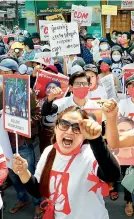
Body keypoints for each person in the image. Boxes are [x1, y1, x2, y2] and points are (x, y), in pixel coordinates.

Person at [12, 106, 121, 219]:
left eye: (77, 127)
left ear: (84, 135)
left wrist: (97, 141)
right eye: (64, 124)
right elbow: (38, 191)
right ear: (55, 128)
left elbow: (112, 174)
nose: (69, 131)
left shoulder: (90, 154)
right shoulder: (49, 151)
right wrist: (23, 172)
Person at [0, 58, 43, 218]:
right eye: (1, 72)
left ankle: (37, 203)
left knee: (28, 173)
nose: (2, 75)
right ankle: (22, 198)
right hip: (4, 143)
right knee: (12, 174)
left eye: (6, 73)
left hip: (22, 142)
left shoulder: (27, 91)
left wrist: (22, 124)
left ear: (15, 73)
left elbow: (37, 114)